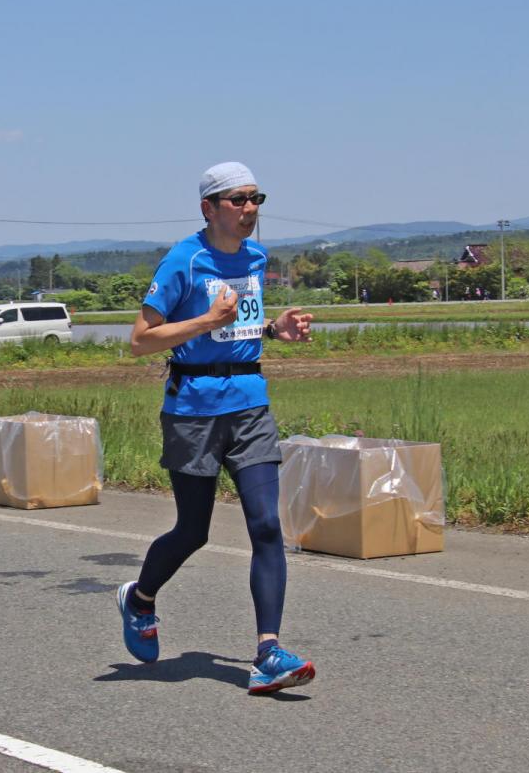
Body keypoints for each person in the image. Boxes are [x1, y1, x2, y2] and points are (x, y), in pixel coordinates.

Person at [116, 162, 316, 695]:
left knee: (267, 526)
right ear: (208, 207)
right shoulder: (184, 260)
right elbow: (140, 340)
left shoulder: (256, 256)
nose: (249, 209)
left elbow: (243, 325)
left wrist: (275, 328)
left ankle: (268, 653)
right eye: (237, 200)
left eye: (256, 198)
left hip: (250, 404)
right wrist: (206, 322)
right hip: (193, 410)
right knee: (193, 531)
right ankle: (139, 598)